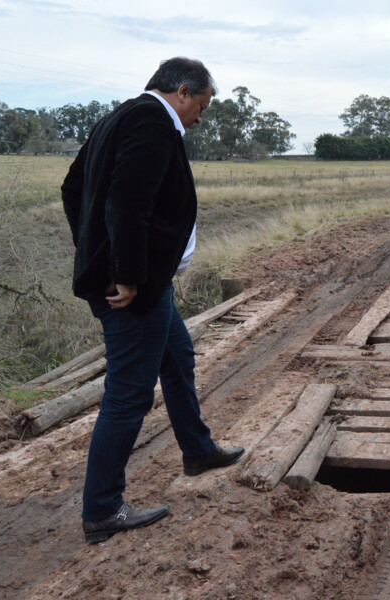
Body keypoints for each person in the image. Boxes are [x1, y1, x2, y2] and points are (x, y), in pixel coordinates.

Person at [61, 57, 244, 544]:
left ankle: (198, 450)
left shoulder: (117, 116)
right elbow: (128, 200)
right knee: (129, 395)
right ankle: (103, 509)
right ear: (182, 91)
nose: (200, 117)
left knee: (178, 357)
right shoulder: (150, 122)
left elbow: (73, 188)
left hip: (145, 284)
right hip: (132, 291)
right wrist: (123, 272)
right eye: (202, 105)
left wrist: (94, 249)